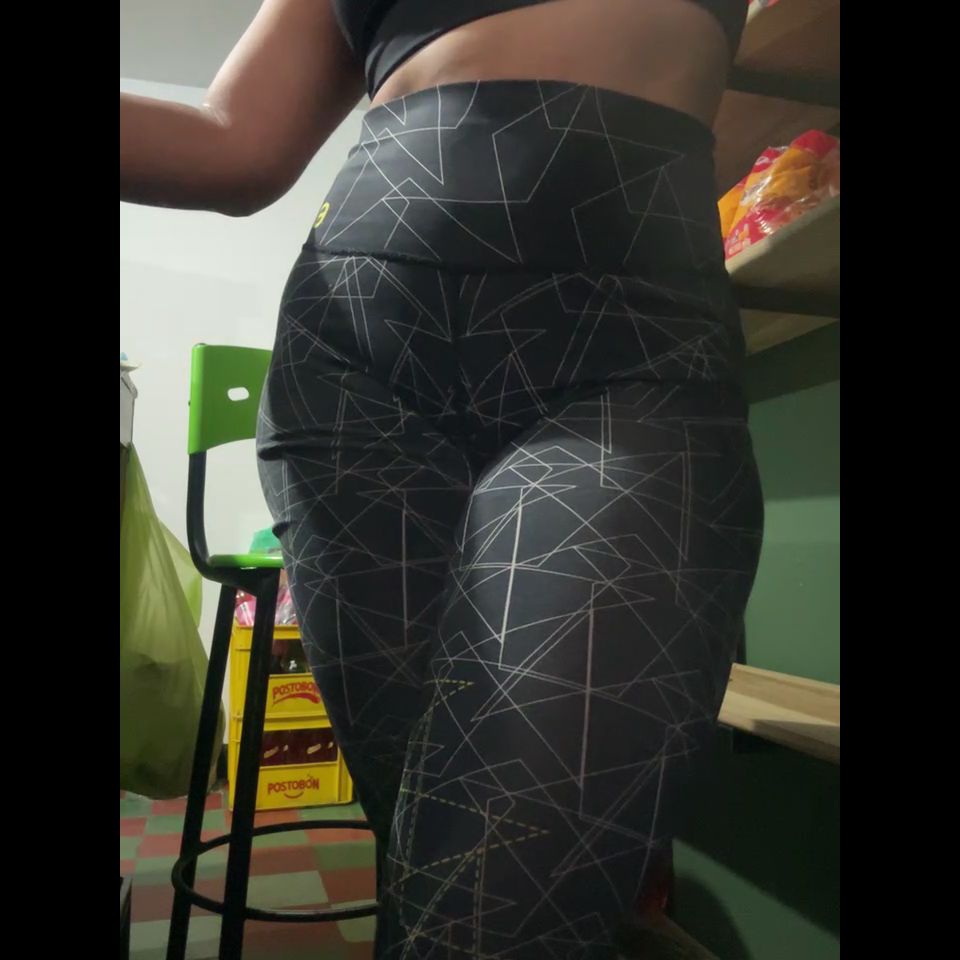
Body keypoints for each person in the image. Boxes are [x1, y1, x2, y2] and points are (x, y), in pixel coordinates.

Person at [121, 2, 764, 956]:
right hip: (355, 372)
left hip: (624, 354)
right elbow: (235, 141)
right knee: (430, 847)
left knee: (498, 890)